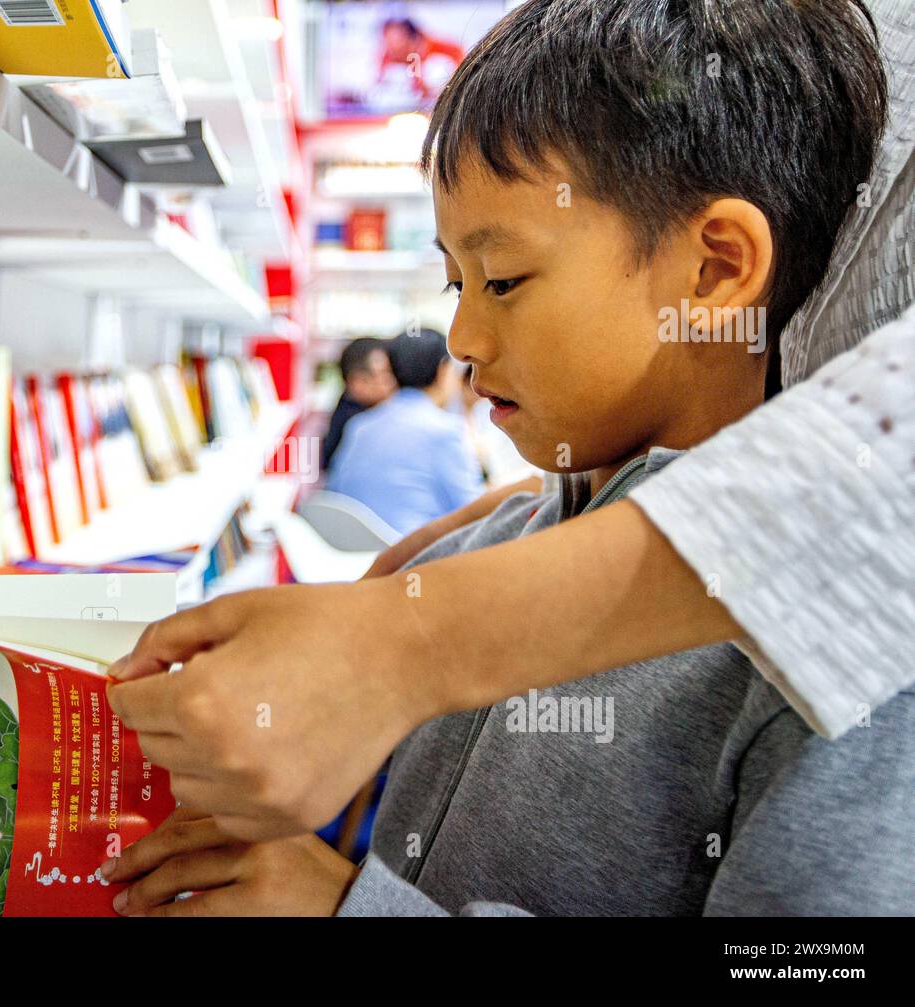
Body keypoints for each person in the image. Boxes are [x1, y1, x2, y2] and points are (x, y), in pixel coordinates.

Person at [105, 0, 915, 851]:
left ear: (713, 268)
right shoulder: (468, 558)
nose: (461, 340)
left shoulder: (822, 668)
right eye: (457, 284)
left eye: (503, 279)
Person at [326, 330, 482, 535]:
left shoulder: (359, 426)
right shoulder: (444, 430)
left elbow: (336, 492)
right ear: (443, 371)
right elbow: (476, 511)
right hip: (415, 556)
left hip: (353, 553)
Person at [320, 337, 396, 472]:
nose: (392, 381)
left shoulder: (350, 405)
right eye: (385, 373)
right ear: (357, 382)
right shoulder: (357, 427)